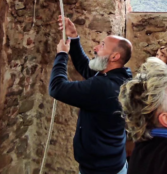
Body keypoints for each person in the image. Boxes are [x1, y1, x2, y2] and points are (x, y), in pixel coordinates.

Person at [49, 16, 132, 174]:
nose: (95, 48)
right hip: (112, 164)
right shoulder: (120, 76)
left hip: (100, 170)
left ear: (114, 57)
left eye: (102, 45)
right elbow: (87, 69)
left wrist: (61, 55)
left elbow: (57, 88)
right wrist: (73, 36)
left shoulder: (104, 87)